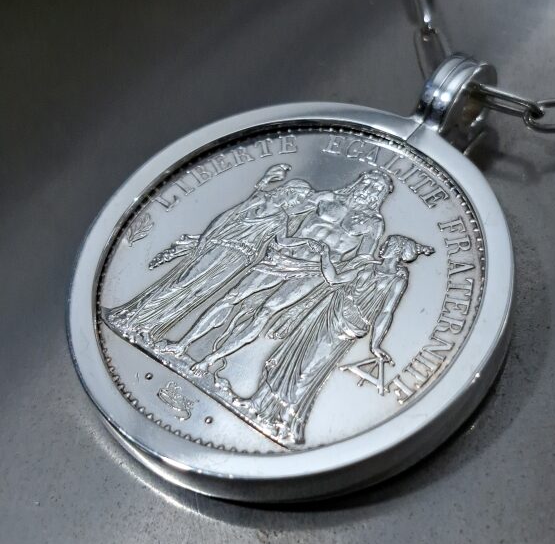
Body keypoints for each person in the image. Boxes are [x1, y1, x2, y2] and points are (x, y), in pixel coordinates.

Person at [164, 169, 395, 370]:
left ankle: (210, 359)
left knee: (266, 311)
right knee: (232, 297)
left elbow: (363, 259)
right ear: (359, 181)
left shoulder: (373, 222)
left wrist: (339, 277)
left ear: (381, 195)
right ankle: (183, 344)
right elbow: (283, 209)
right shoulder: (328, 197)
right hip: (282, 256)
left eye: (377, 188)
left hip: (315, 271)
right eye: (368, 182)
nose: (369, 189)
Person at [243, 235, 434, 446]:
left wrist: (375, 344)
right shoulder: (367, 266)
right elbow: (334, 279)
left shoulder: (398, 279)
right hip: (328, 314)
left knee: (309, 370)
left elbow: (386, 311)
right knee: (292, 358)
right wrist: (325, 254)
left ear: (397, 251)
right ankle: (258, 403)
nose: (383, 246)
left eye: (388, 245)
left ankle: (287, 420)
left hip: (347, 328)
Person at [103, 164, 314, 344]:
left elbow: (281, 242)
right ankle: (132, 318)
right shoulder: (262, 199)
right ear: (290, 191)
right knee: (182, 284)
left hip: (238, 260)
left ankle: (149, 327)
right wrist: (205, 239)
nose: (300, 202)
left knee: (197, 294)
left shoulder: (283, 218)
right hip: (221, 247)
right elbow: (226, 217)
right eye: (300, 197)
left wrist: (307, 242)